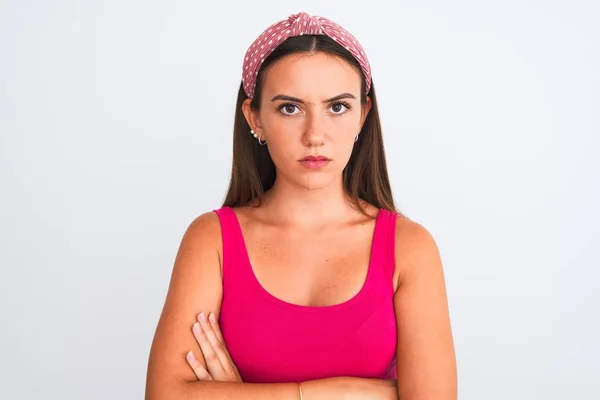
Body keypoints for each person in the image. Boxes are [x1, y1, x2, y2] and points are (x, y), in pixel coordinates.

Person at [145, 11, 457, 400]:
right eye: (290, 108)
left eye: (337, 107)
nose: (315, 135)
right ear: (254, 118)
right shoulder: (212, 240)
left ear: (363, 114)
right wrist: (349, 393)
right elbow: (165, 395)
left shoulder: (410, 248)